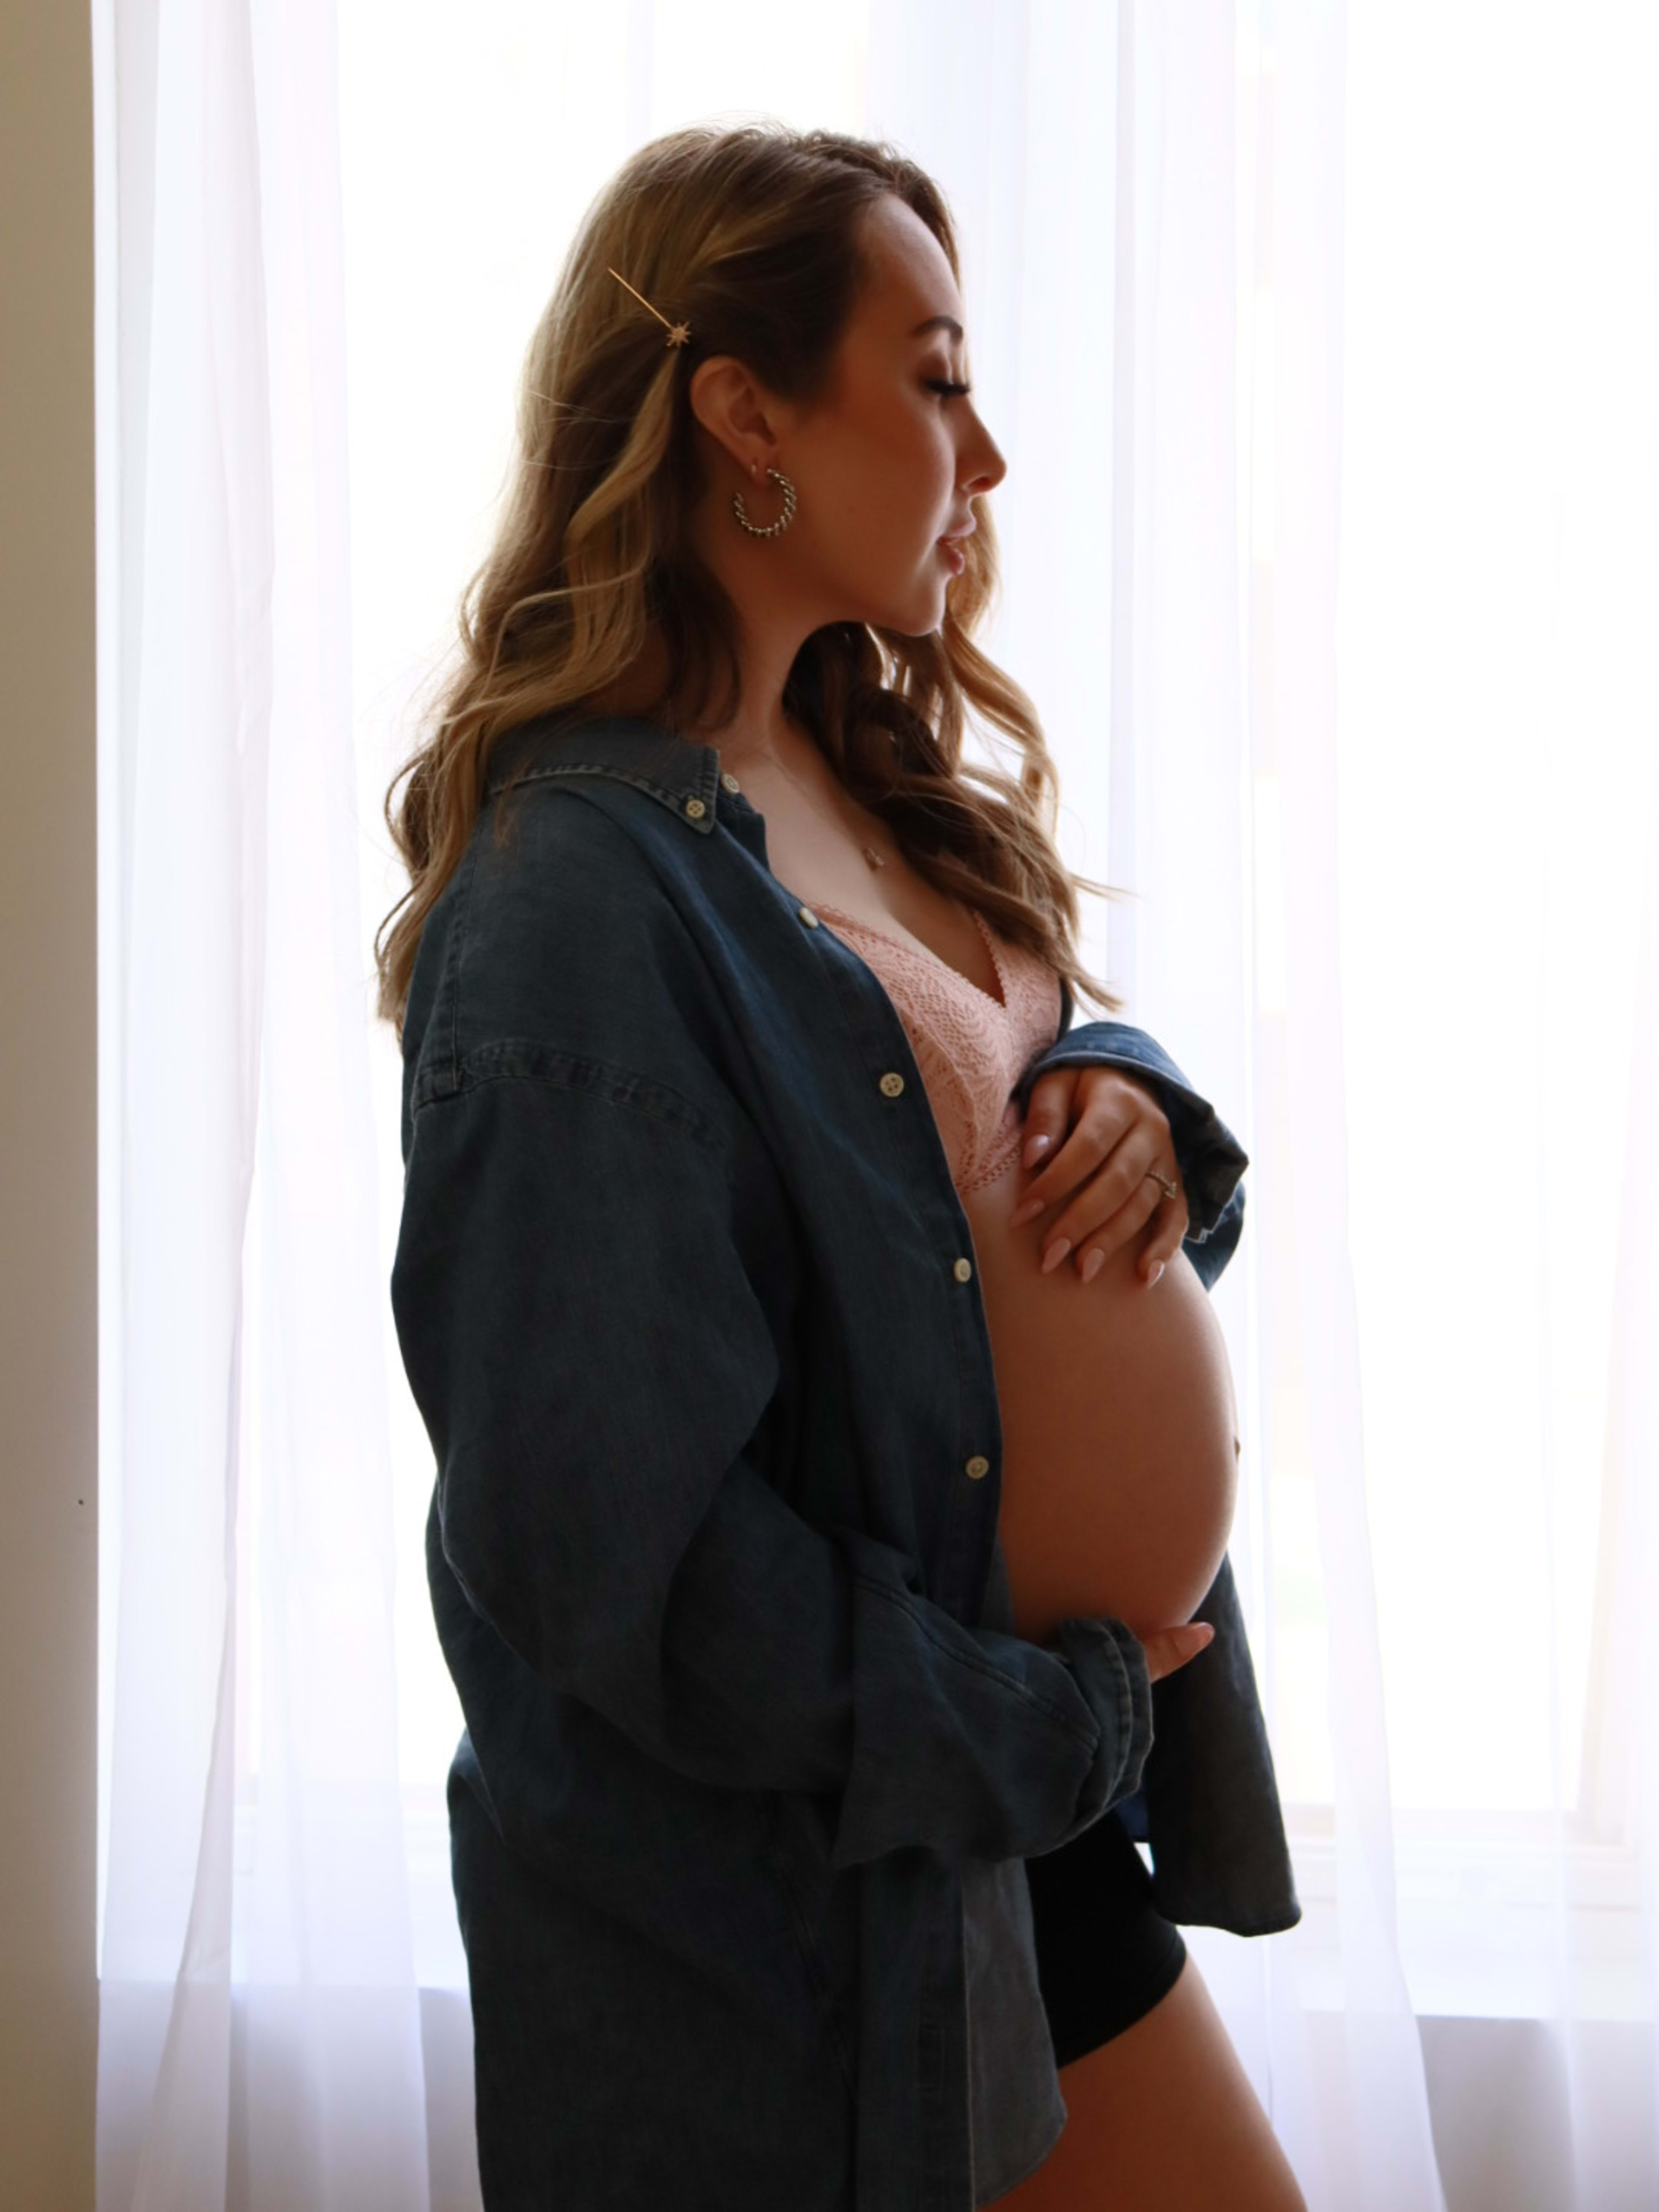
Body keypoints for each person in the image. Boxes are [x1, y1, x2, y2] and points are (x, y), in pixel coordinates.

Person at [378, 121, 1307, 2212]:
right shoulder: (576, 907)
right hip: (803, 1902)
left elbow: (999, 1150)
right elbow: (619, 1558)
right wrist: (1053, 1723)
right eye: (939, 373)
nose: (987, 457)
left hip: (991, 1828)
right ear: (744, 412)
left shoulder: (865, 776)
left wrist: (1144, 1103)